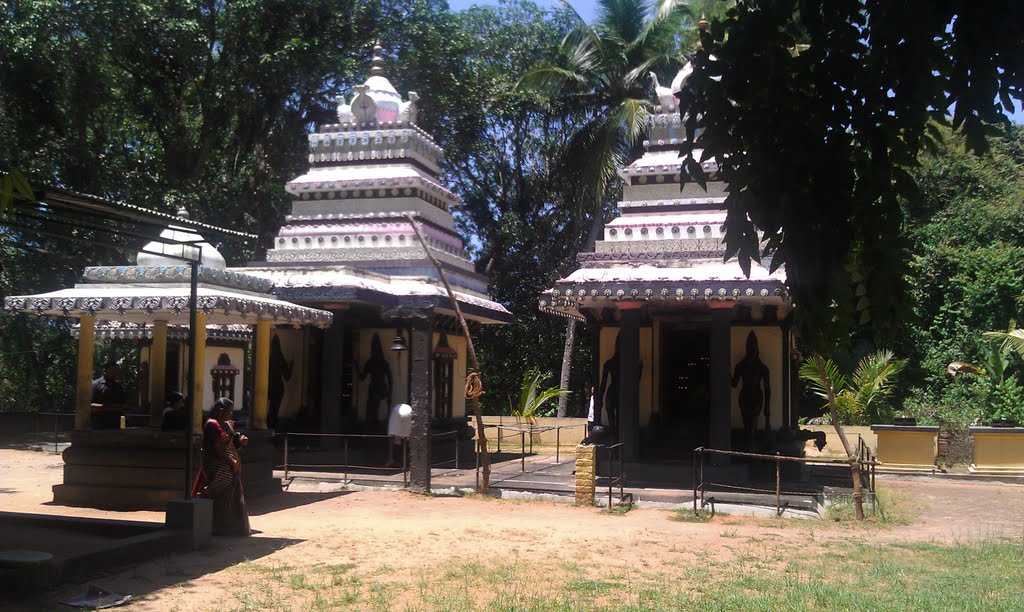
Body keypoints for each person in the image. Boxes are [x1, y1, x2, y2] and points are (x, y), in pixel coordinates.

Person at [197, 397, 251, 536]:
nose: (231, 414)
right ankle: (203, 499)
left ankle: (227, 525)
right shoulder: (212, 424)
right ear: (221, 411)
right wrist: (230, 461)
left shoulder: (226, 425)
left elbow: (232, 442)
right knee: (221, 485)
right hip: (217, 463)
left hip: (229, 463)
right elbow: (218, 448)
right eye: (229, 411)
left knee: (231, 492)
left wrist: (240, 441)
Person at [91, 362, 126, 429]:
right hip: (99, 426)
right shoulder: (95, 385)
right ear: (105, 371)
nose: (115, 373)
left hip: (116, 427)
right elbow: (90, 406)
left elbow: (123, 408)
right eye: (112, 371)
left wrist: (123, 427)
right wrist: (109, 407)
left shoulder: (119, 387)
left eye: (116, 371)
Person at [386, 403, 412, 468]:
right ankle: (404, 461)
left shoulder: (396, 409)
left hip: (398, 414)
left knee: (393, 439)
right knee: (406, 440)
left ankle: (391, 459)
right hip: (407, 414)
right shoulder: (408, 408)